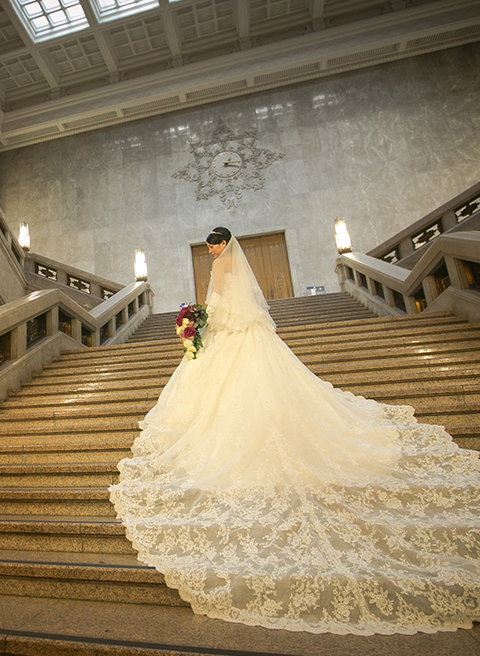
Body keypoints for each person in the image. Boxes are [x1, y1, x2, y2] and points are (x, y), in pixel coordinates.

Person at [110, 227, 480, 636]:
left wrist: (196, 324)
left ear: (221, 244)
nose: (212, 249)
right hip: (251, 337)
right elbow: (243, 304)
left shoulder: (219, 266)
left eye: (214, 243)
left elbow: (217, 307)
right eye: (211, 244)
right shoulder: (231, 263)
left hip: (232, 337)